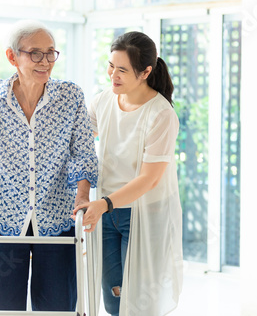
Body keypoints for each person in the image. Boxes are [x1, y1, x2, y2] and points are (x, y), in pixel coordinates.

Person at [0, 20, 98, 311]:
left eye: (51, 53)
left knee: (57, 306)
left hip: (56, 217)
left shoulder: (70, 97)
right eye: (35, 53)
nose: (45, 62)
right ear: (12, 57)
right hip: (0, 217)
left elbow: (83, 155)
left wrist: (82, 197)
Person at [73, 31, 183, 316]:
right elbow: (77, 141)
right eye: (111, 66)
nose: (113, 75)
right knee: (113, 298)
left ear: (146, 71)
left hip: (146, 213)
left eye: (122, 69)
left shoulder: (161, 114)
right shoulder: (104, 101)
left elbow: (150, 179)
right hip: (107, 213)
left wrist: (104, 203)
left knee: (139, 303)